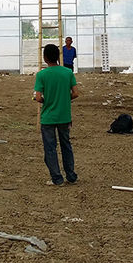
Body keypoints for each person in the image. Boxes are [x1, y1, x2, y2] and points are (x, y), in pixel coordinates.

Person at [34, 43, 78, 186]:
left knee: (50, 147)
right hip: (64, 115)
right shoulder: (68, 73)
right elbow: (76, 93)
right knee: (66, 145)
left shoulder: (41, 75)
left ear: (45, 57)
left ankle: (57, 178)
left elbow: (39, 97)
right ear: (58, 56)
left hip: (48, 117)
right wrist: (64, 99)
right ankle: (71, 175)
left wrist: (45, 100)